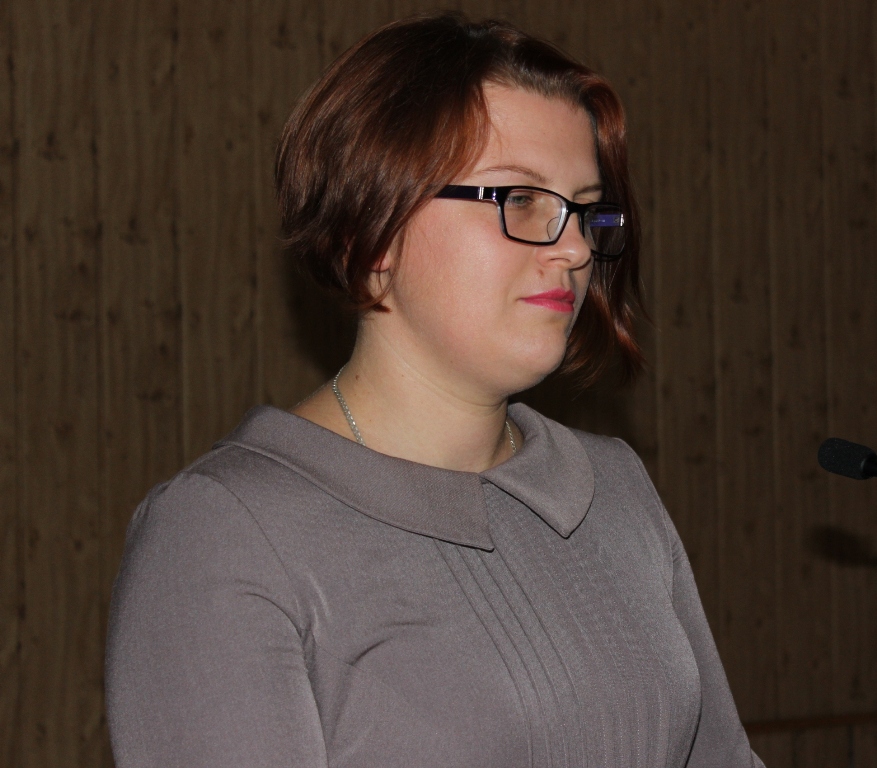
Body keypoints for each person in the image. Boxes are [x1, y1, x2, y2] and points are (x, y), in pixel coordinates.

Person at [105, 12, 764, 768]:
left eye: (584, 210)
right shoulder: (226, 531)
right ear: (370, 228)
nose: (575, 247)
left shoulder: (613, 486)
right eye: (519, 198)